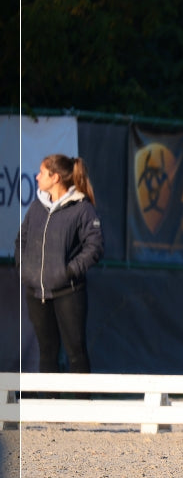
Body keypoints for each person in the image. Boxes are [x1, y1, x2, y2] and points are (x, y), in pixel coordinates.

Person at [16, 154, 104, 375]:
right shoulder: (37, 207)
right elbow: (22, 239)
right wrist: (25, 268)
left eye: (42, 173)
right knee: (46, 352)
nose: (37, 177)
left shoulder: (82, 208)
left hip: (69, 292)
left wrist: (69, 271)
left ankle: (81, 406)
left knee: (76, 352)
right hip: (37, 293)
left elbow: (94, 246)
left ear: (55, 177)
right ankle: (49, 406)